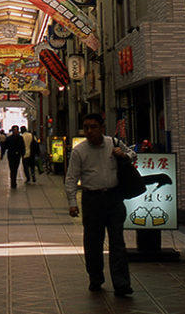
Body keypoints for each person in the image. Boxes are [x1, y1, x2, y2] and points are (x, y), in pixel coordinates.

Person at [65, 113, 136, 297]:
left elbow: (133, 154)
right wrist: (73, 203)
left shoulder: (113, 143)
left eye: (93, 127)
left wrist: (123, 154)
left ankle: (121, 284)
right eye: (86, 127)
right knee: (93, 242)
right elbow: (71, 178)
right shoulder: (79, 151)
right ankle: (95, 278)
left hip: (113, 198)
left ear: (102, 128)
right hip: (92, 200)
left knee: (117, 242)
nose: (89, 131)